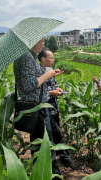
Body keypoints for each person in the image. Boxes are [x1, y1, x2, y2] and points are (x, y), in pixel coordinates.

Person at [14, 38, 62, 179]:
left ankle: (41, 173)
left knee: (38, 143)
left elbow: (33, 76)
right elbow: (30, 85)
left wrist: (49, 73)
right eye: (41, 41)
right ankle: (51, 175)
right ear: (32, 40)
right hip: (38, 107)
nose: (42, 45)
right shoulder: (26, 57)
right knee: (46, 144)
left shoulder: (28, 56)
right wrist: (47, 74)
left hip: (37, 106)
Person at [38, 49, 75, 169]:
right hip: (45, 107)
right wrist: (51, 93)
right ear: (43, 59)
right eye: (51, 58)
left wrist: (58, 89)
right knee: (56, 134)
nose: (53, 60)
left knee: (56, 131)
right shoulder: (38, 72)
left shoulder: (50, 71)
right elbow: (38, 91)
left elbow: (52, 84)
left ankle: (59, 156)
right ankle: (64, 159)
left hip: (53, 106)